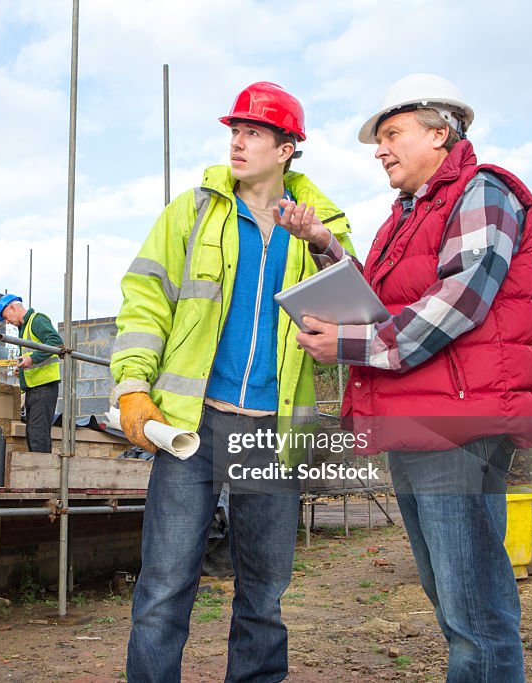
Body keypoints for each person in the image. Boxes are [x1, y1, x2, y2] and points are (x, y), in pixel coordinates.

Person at [279, 73, 532, 683]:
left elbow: (457, 304)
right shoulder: (408, 213)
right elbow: (376, 301)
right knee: (452, 596)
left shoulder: (481, 192)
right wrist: (322, 245)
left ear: (440, 132)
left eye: (392, 133)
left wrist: (348, 344)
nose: (380, 149)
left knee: (473, 605)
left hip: (457, 419)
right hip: (416, 416)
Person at [112, 82, 356, 682]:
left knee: (264, 594)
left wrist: (322, 245)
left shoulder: (323, 225)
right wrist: (132, 387)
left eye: (253, 132)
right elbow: (145, 302)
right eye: (235, 131)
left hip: (276, 430)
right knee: (166, 585)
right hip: (191, 425)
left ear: (288, 148)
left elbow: (357, 313)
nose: (237, 142)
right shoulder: (192, 212)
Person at [0, 294, 63, 453]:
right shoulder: (24, 329)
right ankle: (42, 472)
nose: (7, 322)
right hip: (34, 388)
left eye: (6, 317)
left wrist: (32, 359)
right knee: (34, 433)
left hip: (44, 387)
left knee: (37, 434)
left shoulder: (37, 320)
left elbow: (55, 342)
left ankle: (42, 474)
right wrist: (23, 368)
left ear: (12, 307)